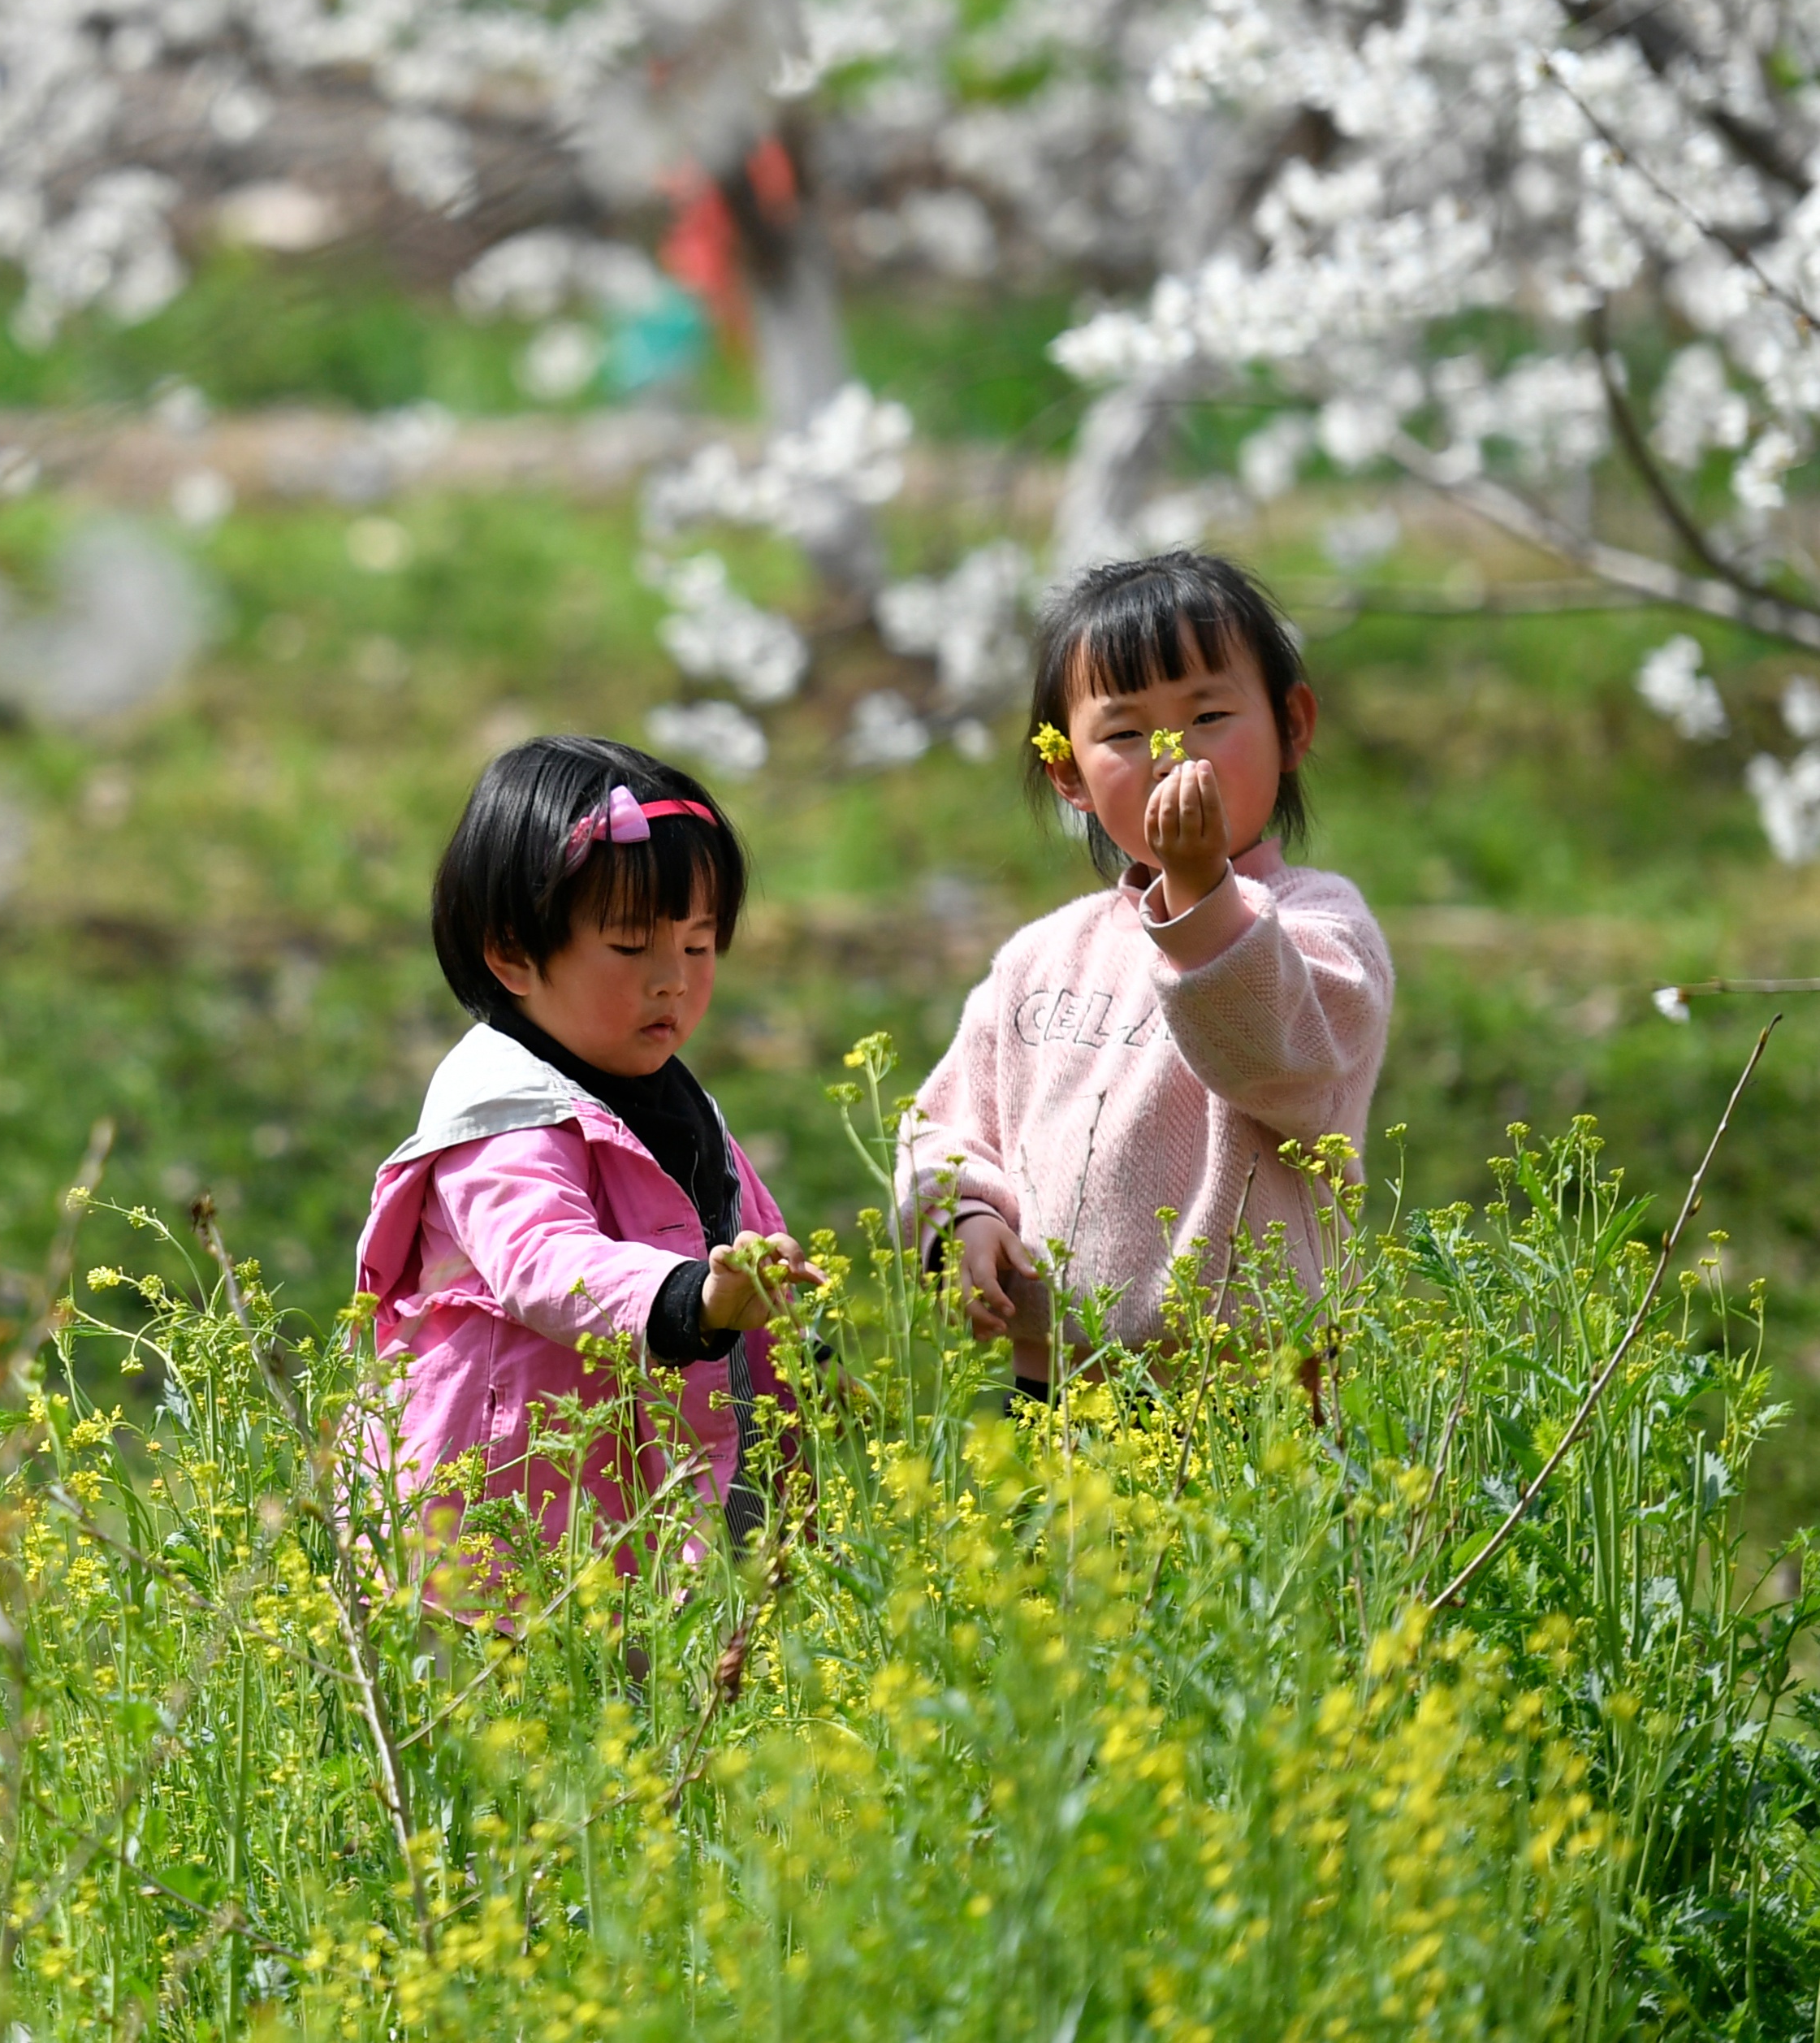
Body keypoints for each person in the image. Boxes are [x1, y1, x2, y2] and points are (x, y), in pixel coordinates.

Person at [897, 551, 1393, 1400]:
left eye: (1207, 715)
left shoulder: (1320, 925)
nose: (1171, 753)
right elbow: (945, 1126)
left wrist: (1204, 893)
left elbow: (1283, 1064)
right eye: (1126, 733)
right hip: (1058, 1387)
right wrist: (965, 1217)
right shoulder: (1040, 958)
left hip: (1252, 1392)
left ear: (1294, 727)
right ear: (1068, 775)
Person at [354, 736, 818, 1572]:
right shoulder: (499, 1111)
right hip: (503, 1542)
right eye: (633, 946)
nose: (672, 978)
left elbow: (741, 1239)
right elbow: (543, 1259)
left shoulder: (672, 1098)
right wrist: (687, 1300)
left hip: (640, 1515)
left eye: (699, 943)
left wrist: (797, 1364)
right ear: (513, 955)